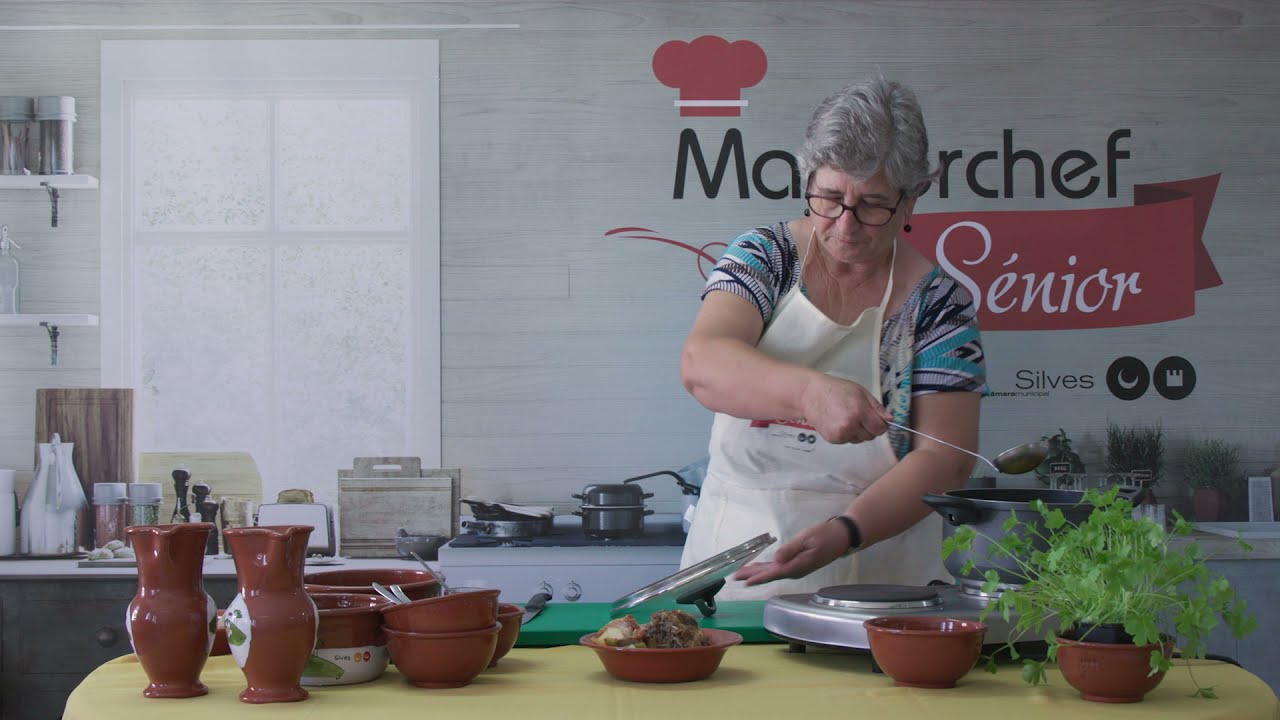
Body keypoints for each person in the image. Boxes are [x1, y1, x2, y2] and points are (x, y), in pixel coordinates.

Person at [678, 76, 987, 600]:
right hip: (735, 575)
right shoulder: (764, 258)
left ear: (910, 202)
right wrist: (811, 394)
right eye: (828, 198)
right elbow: (702, 363)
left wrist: (847, 532)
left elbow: (946, 459)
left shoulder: (938, 304)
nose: (846, 225)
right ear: (807, 182)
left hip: (885, 581)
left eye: (872, 205)